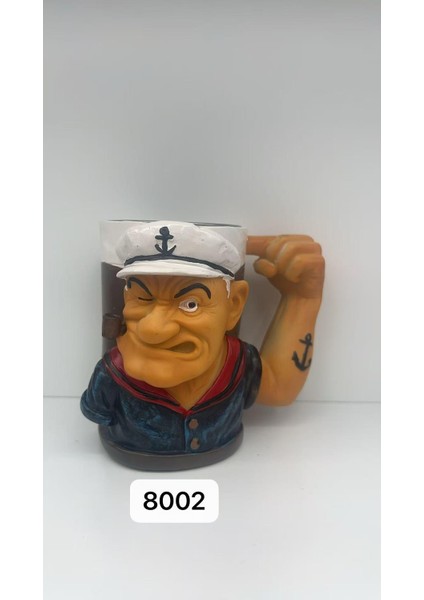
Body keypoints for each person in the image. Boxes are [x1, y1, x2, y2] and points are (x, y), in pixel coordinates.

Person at [81, 221, 324, 470]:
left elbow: (279, 388)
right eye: (142, 298)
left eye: (191, 304)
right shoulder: (113, 372)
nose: (152, 328)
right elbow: (98, 412)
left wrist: (301, 300)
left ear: (234, 305)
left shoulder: (236, 362)